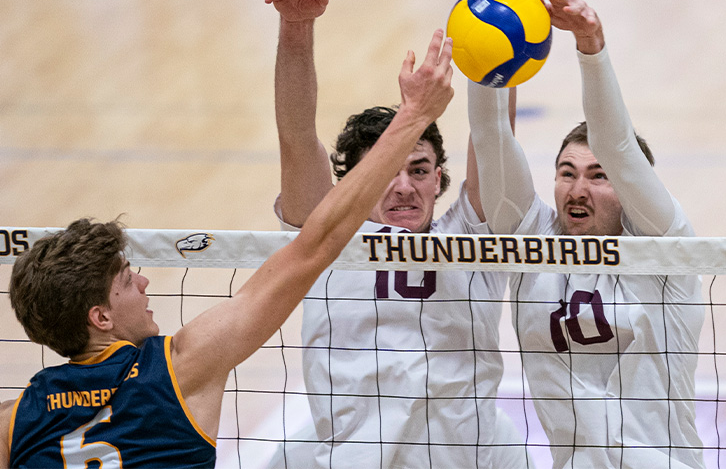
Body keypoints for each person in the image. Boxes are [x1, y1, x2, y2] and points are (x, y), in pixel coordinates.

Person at [0, 27, 455, 468]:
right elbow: (315, 246)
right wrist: (413, 116)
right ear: (100, 317)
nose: (143, 278)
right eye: (125, 280)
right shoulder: (180, 368)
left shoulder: (15, 419)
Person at [263, 0, 548, 469]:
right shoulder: (324, 242)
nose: (403, 187)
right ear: (354, 180)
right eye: (386, 170)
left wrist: (489, 4)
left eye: (418, 170)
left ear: (438, 178)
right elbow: (297, 138)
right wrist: (296, 29)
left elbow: (493, 134)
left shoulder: (470, 238)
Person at [439, 0, 706, 468]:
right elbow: (491, 134)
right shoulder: (533, 242)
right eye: (566, 173)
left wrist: (590, 43)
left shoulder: (663, 251)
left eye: (597, 176)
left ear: (629, 189)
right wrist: (484, 11)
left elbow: (621, 149)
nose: (577, 189)